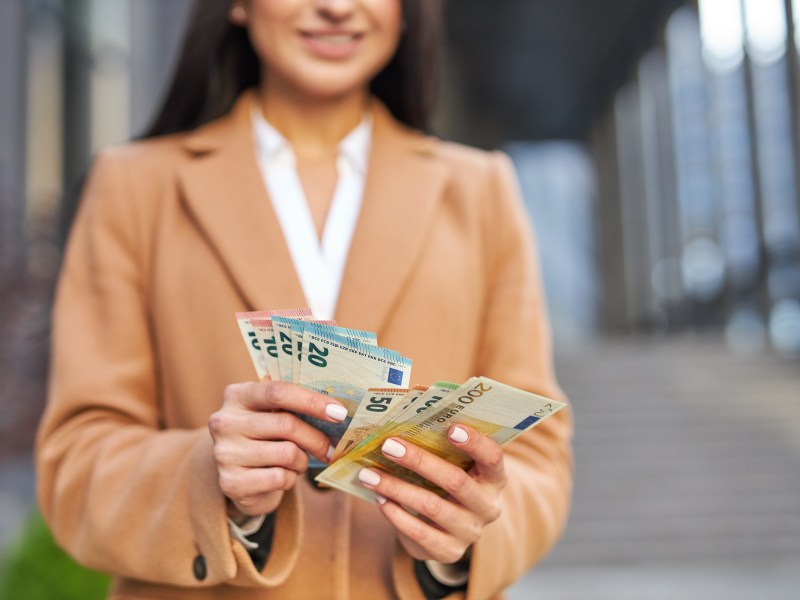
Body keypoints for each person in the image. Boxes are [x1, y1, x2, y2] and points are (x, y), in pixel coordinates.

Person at [36, 0, 573, 598]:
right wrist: (209, 480)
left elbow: (539, 455)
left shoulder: (481, 192)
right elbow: (75, 463)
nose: (337, 8)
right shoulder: (134, 188)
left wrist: (463, 543)